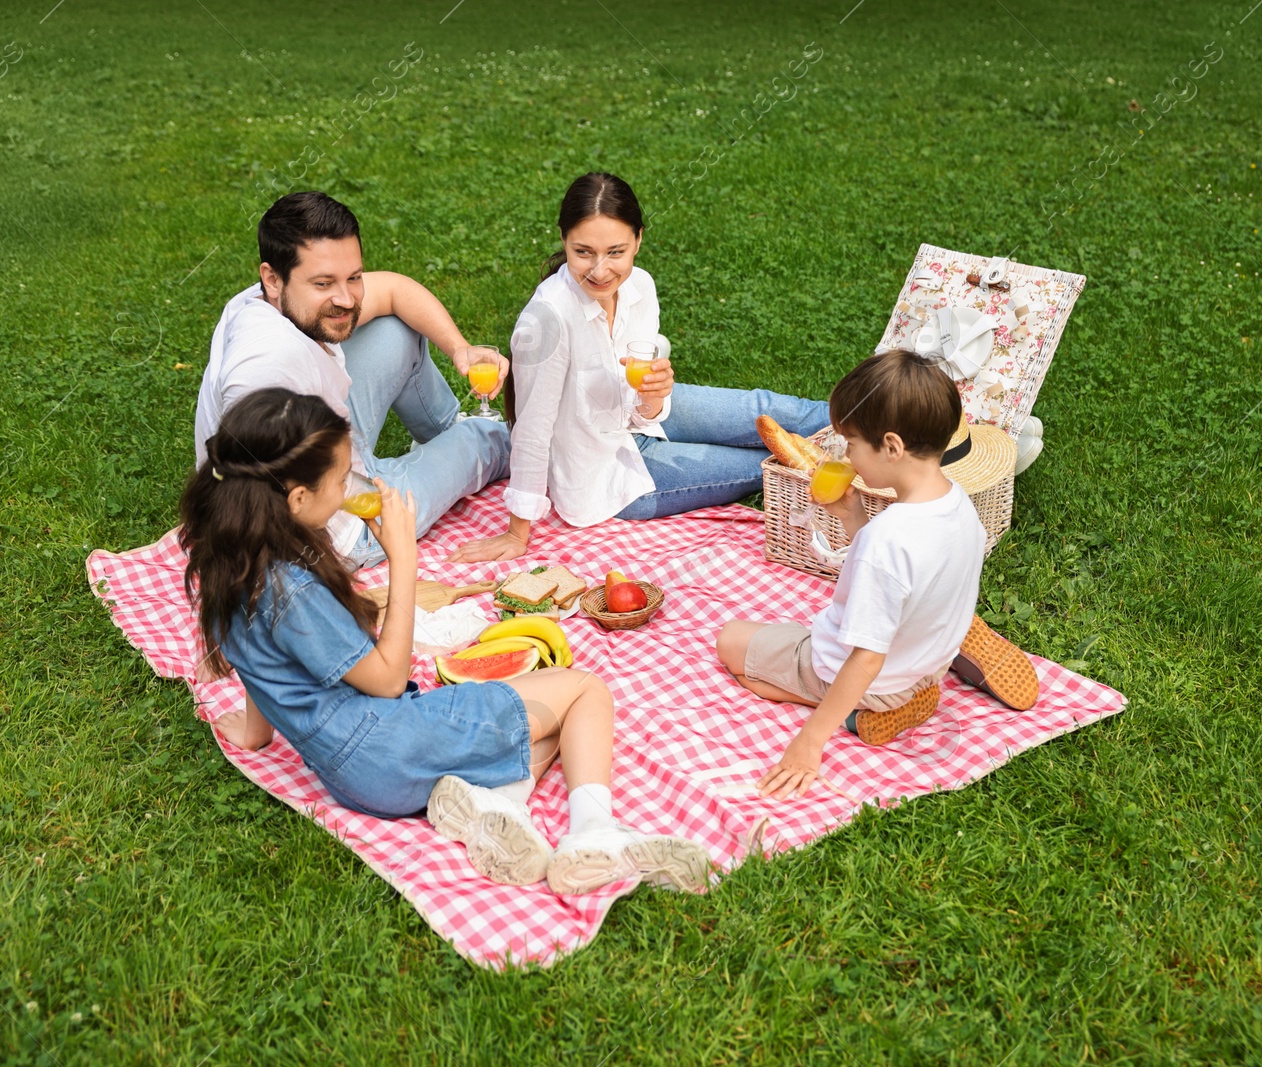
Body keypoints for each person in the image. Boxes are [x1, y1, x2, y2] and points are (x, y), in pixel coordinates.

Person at [181, 387, 711, 895]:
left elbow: (260, 665)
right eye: (341, 480)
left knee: (538, 733)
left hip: (349, 777)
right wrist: (403, 557)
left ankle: (500, 806)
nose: (349, 491)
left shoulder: (231, 565)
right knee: (585, 692)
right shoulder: (292, 589)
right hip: (390, 742)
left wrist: (255, 735)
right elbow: (387, 682)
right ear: (297, 498)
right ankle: (594, 832)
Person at [449, 172, 830, 562]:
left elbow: (644, 405)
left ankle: (884, 423)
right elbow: (531, 429)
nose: (600, 271)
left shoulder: (640, 288)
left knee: (771, 410)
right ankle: (861, 474)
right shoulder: (545, 320)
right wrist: (516, 534)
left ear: (638, 240)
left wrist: (654, 396)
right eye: (583, 253)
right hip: (605, 471)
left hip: (642, 417)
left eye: (616, 252)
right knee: (769, 464)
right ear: (563, 240)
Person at [716, 349, 1010, 799]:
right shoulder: (959, 506)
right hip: (924, 666)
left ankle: (857, 715)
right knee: (771, 656)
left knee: (733, 645)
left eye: (851, 444)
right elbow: (904, 577)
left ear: (891, 446)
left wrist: (808, 742)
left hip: (867, 678)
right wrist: (855, 518)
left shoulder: (886, 539)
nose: (847, 455)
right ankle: (897, 699)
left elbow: (866, 658)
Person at [195, 191, 510, 569]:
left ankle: (449, 430)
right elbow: (254, 502)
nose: (346, 299)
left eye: (354, 277)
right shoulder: (264, 367)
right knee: (488, 442)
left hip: (329, 447)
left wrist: (461, 349)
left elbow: (394, 291)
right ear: (273, 278)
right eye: (324, 284)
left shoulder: (274, 302)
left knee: (396, 331)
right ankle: (474, 437)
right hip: (338, 524)